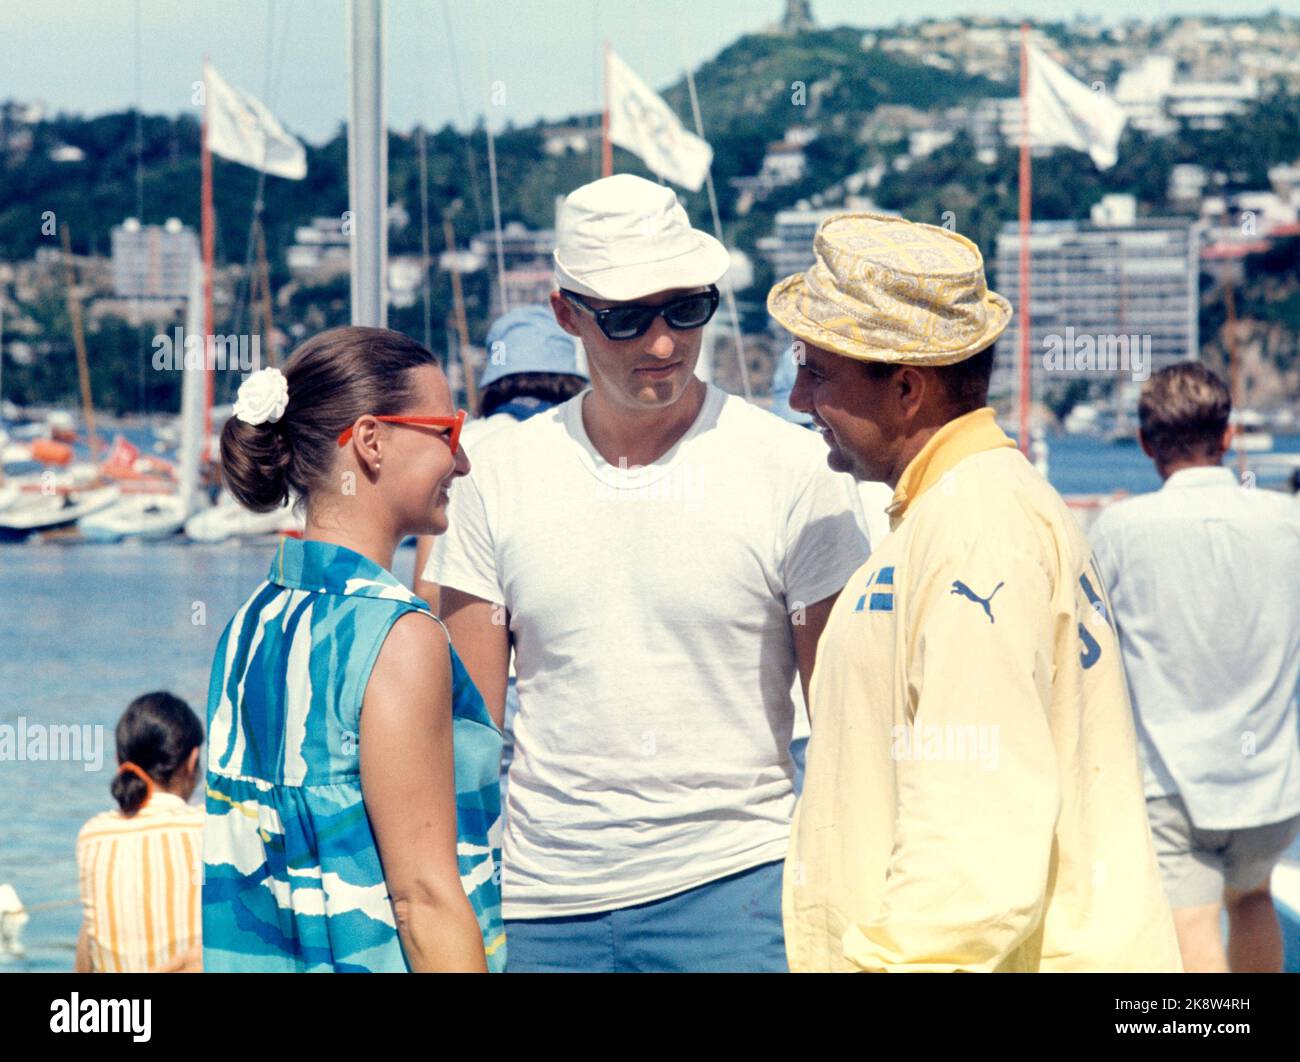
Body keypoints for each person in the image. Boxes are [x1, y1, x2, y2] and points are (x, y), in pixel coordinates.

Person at [425, 173, 869, 972]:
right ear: (566, 313)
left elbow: (847, 725)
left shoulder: (796, 470)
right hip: (540, 908)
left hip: (742, 889)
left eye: (686, 309)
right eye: (626, 319)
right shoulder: (494, 477)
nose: (662, 343)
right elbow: (468, 735)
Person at [770, 211, 1182, 972]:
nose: (798, 398)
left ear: (906, 388)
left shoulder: (972, 532)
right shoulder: (976, 509)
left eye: (818, 372)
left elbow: (974, 840)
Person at [202, 326, 504, 972]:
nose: (463, 460)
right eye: (447, 433)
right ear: (371, 441)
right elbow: (422, 899)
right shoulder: (395, 637)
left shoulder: (250, 626)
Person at [1089, 363, 1300, 973]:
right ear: (1228, 436)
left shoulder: (1120, 531)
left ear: (1147, 444)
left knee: (1191, 921)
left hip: (1171, 781)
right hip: (1270, 778)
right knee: (1255, 900)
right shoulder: (1286, 521)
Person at [75, 691, 204, 973]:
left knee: (90, 924)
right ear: (192, 761)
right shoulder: (209, 829)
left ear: (119, 762)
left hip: (117, 1016)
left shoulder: (93, 835)